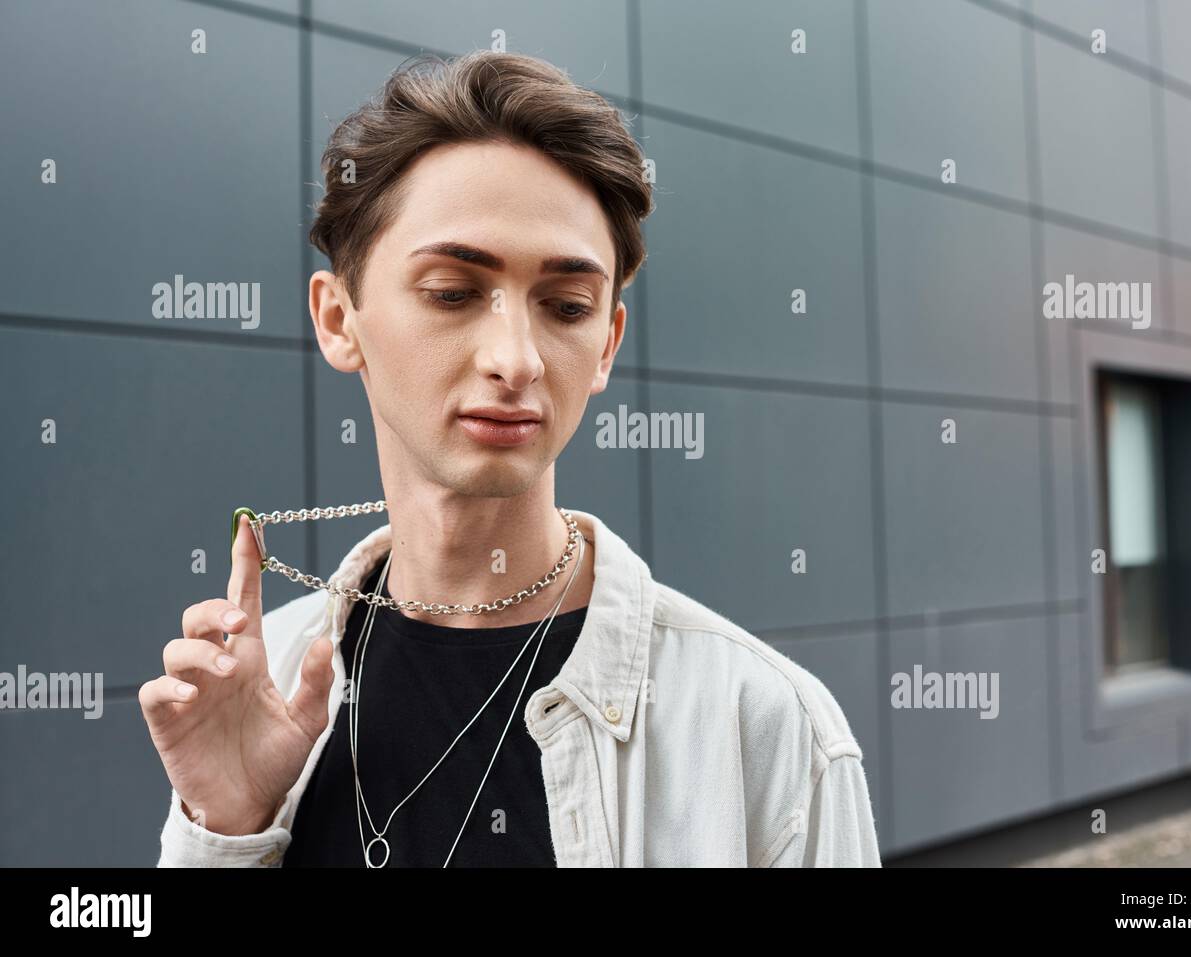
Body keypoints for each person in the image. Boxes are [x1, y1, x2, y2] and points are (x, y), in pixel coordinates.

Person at [139, 49, 881, 867]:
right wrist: (227, 829)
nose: (517, 358)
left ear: (606, 345)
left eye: (565, 306)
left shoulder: (762, 730)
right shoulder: (265, 675)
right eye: (453, 292)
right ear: (338, 319)